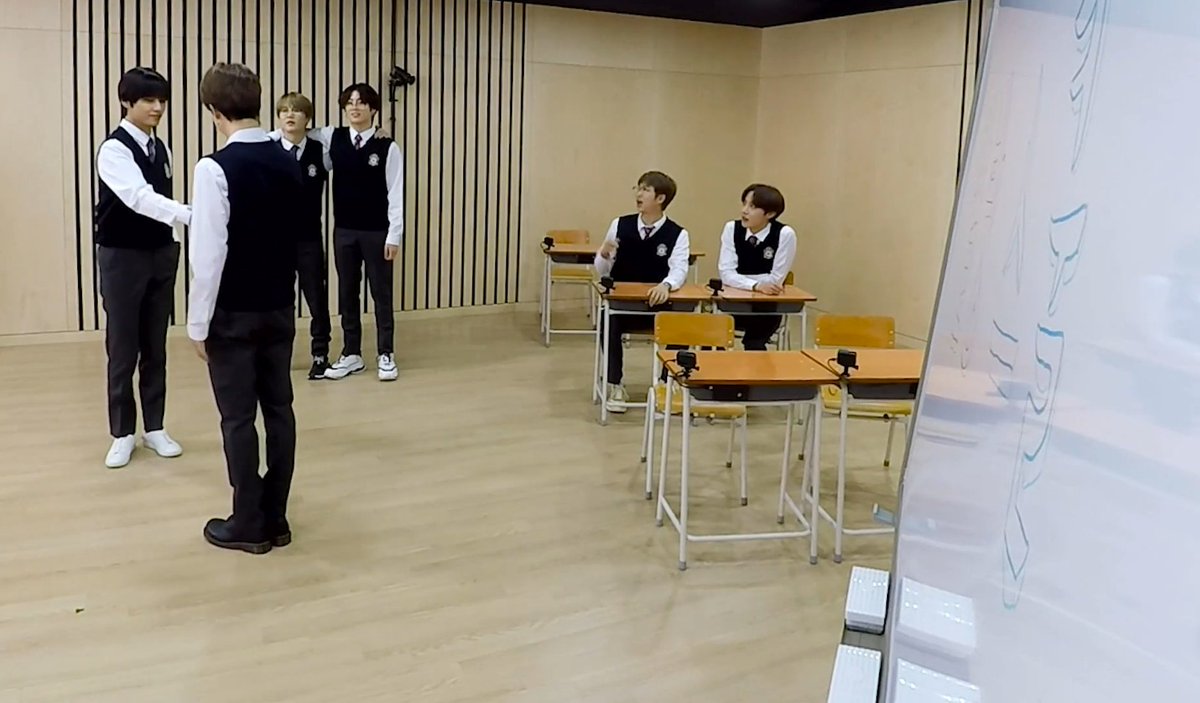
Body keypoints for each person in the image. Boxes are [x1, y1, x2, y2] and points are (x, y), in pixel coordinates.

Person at [187, 62, 305, 555]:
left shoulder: (214, 168)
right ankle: (276, 515)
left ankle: (249, 520)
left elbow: (208, 255)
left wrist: (197, 324)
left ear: (214, 111)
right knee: (279, 409)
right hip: (279, 307)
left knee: (237, 418)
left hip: (232, 314)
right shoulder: (290, 161)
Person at [268, 82, 404, 382]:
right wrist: (276, 134)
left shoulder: (387, 146)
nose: (355, 107)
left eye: (361, 102)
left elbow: (396, 194)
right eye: (349, 103)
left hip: (377, 232)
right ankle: (351, 353)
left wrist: (394, 235)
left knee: (381, 293)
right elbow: (296, 131)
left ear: (373, 108)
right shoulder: (333, 137)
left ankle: (386, 353)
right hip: (343, 231)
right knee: (347, 293)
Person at [94, 67, 191, 469]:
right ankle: (122, 433)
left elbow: (159, 200)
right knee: (122, 348)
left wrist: (176, 237)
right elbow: (138, 197)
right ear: (126, 102)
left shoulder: (161, 148)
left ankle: (154, 427)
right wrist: (189, 214)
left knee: (156, 345)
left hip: (160, 254)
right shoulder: (113, 150)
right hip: (122, 257)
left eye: (162, 100)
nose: (157, 108)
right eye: (149, 100)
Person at [593, 171, 691, 413]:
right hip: (622, 305)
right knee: (608, 322)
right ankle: (616, 384)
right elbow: (603, 270)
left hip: (658, 305)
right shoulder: (620, 224)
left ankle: (667, 383)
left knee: (683, 322)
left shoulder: (678, 233)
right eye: (638, 188)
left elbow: (679, 269)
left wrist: (666, 285)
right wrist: (603, 255)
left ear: (660, 198)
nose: (638, 194)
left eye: (645, 190)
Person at [275, 91, 334, 380]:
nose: (290, 115)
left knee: (316, 298)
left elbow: (349, 141)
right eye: (284, 110)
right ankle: (278, 354)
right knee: (279, 300)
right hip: (277, 241)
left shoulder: (320, 151)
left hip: (309, 239)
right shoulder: (269, 149)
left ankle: (320, 353)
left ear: (307, 119)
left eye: (296, 110)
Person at [717, 183, 797, 351]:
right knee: (711, 336)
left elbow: (775, 281)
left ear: (770, 214)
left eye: (752, 207)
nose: (744, 211)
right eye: (744, 204)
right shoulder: (731, 228)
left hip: (766, 307)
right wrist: (757, 285)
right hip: (733, 302)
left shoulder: (784, 234)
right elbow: (726, 273)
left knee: (754, 343)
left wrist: (740, 280)